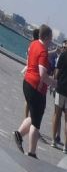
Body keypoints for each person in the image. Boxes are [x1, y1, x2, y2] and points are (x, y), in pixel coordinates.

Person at [14, 24, 53, 157]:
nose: (51, 41)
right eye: (50, 38)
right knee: (36, 123)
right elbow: (42, 74)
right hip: (36, 88)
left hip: (27, 82)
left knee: (34, 116)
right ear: (46, 37)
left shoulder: (34, 44)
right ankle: (32, 152)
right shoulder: (43, 51)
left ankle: (19, 134)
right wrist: (54, 83)